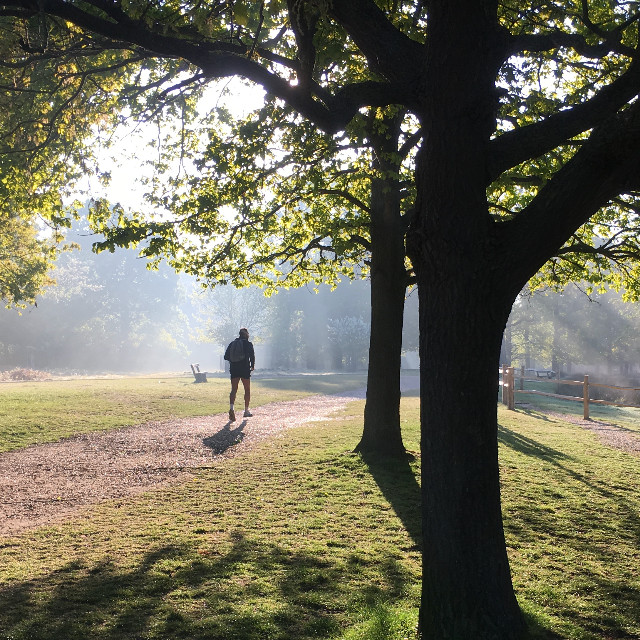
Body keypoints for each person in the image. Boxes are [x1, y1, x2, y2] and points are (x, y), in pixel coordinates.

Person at [223, 327, 255, 422]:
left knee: (233, 389)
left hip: (234, 369)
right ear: (246, 334)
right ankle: (246, 411)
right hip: (244, 369)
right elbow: (252, 356)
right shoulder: (248, 344)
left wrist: (234, 362)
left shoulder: (232, 344)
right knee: (247, 389)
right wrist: (252, 366)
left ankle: (232, 408)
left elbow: (226, 356)